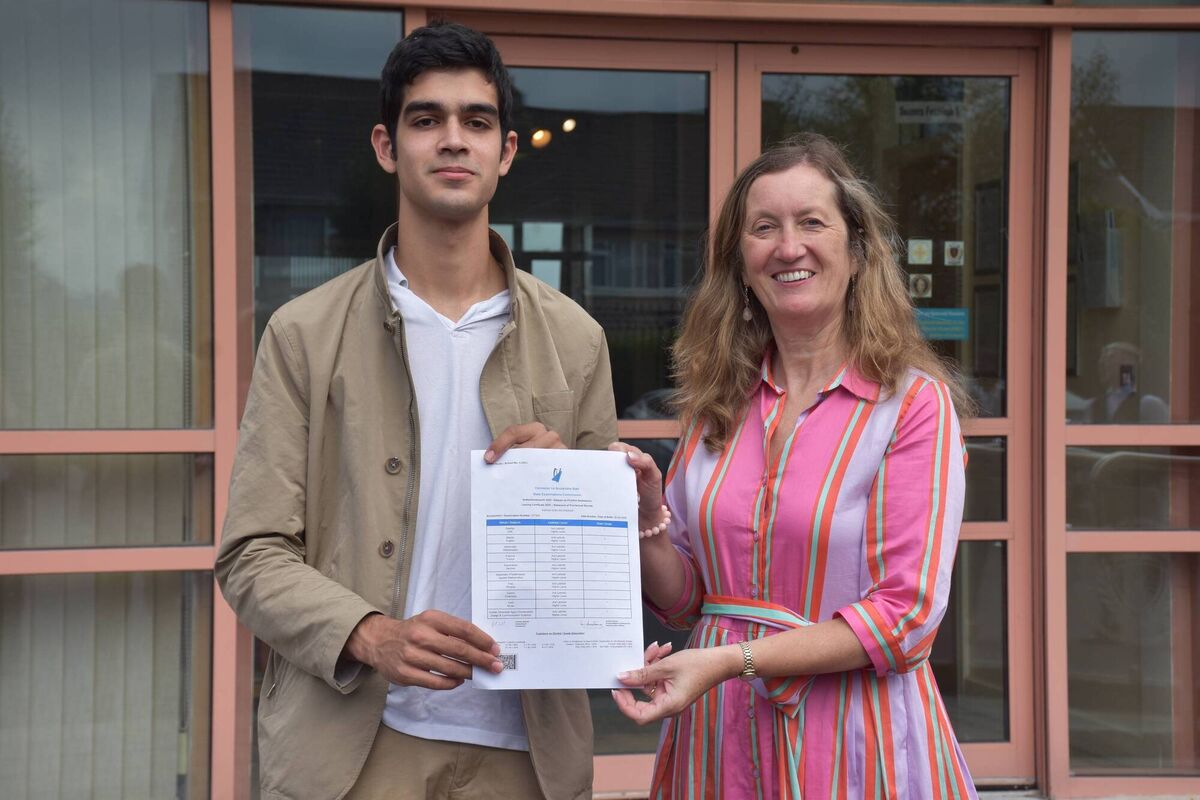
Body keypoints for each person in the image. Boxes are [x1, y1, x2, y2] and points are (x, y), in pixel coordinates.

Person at [216, 22, 617, 800]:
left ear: (505, 151)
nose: (452, 140)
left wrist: (584, 492)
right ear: (386, 145)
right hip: (355, 749)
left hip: (523, 753)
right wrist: (370, 633)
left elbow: (601, 571)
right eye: (426, 119)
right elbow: (251, 553)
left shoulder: (576, 340)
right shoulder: (304, 334)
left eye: (476, 121)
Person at [610, 133, 976, 799]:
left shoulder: (912, 405)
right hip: (719, 739)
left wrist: (730, 660)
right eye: (764, 228)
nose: (788, 246)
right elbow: (686, 598)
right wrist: (650, 516)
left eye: (812, 222)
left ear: (858, 250)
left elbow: (905, 618)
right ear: (741, 262)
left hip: (853, 743)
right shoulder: (717, 401)